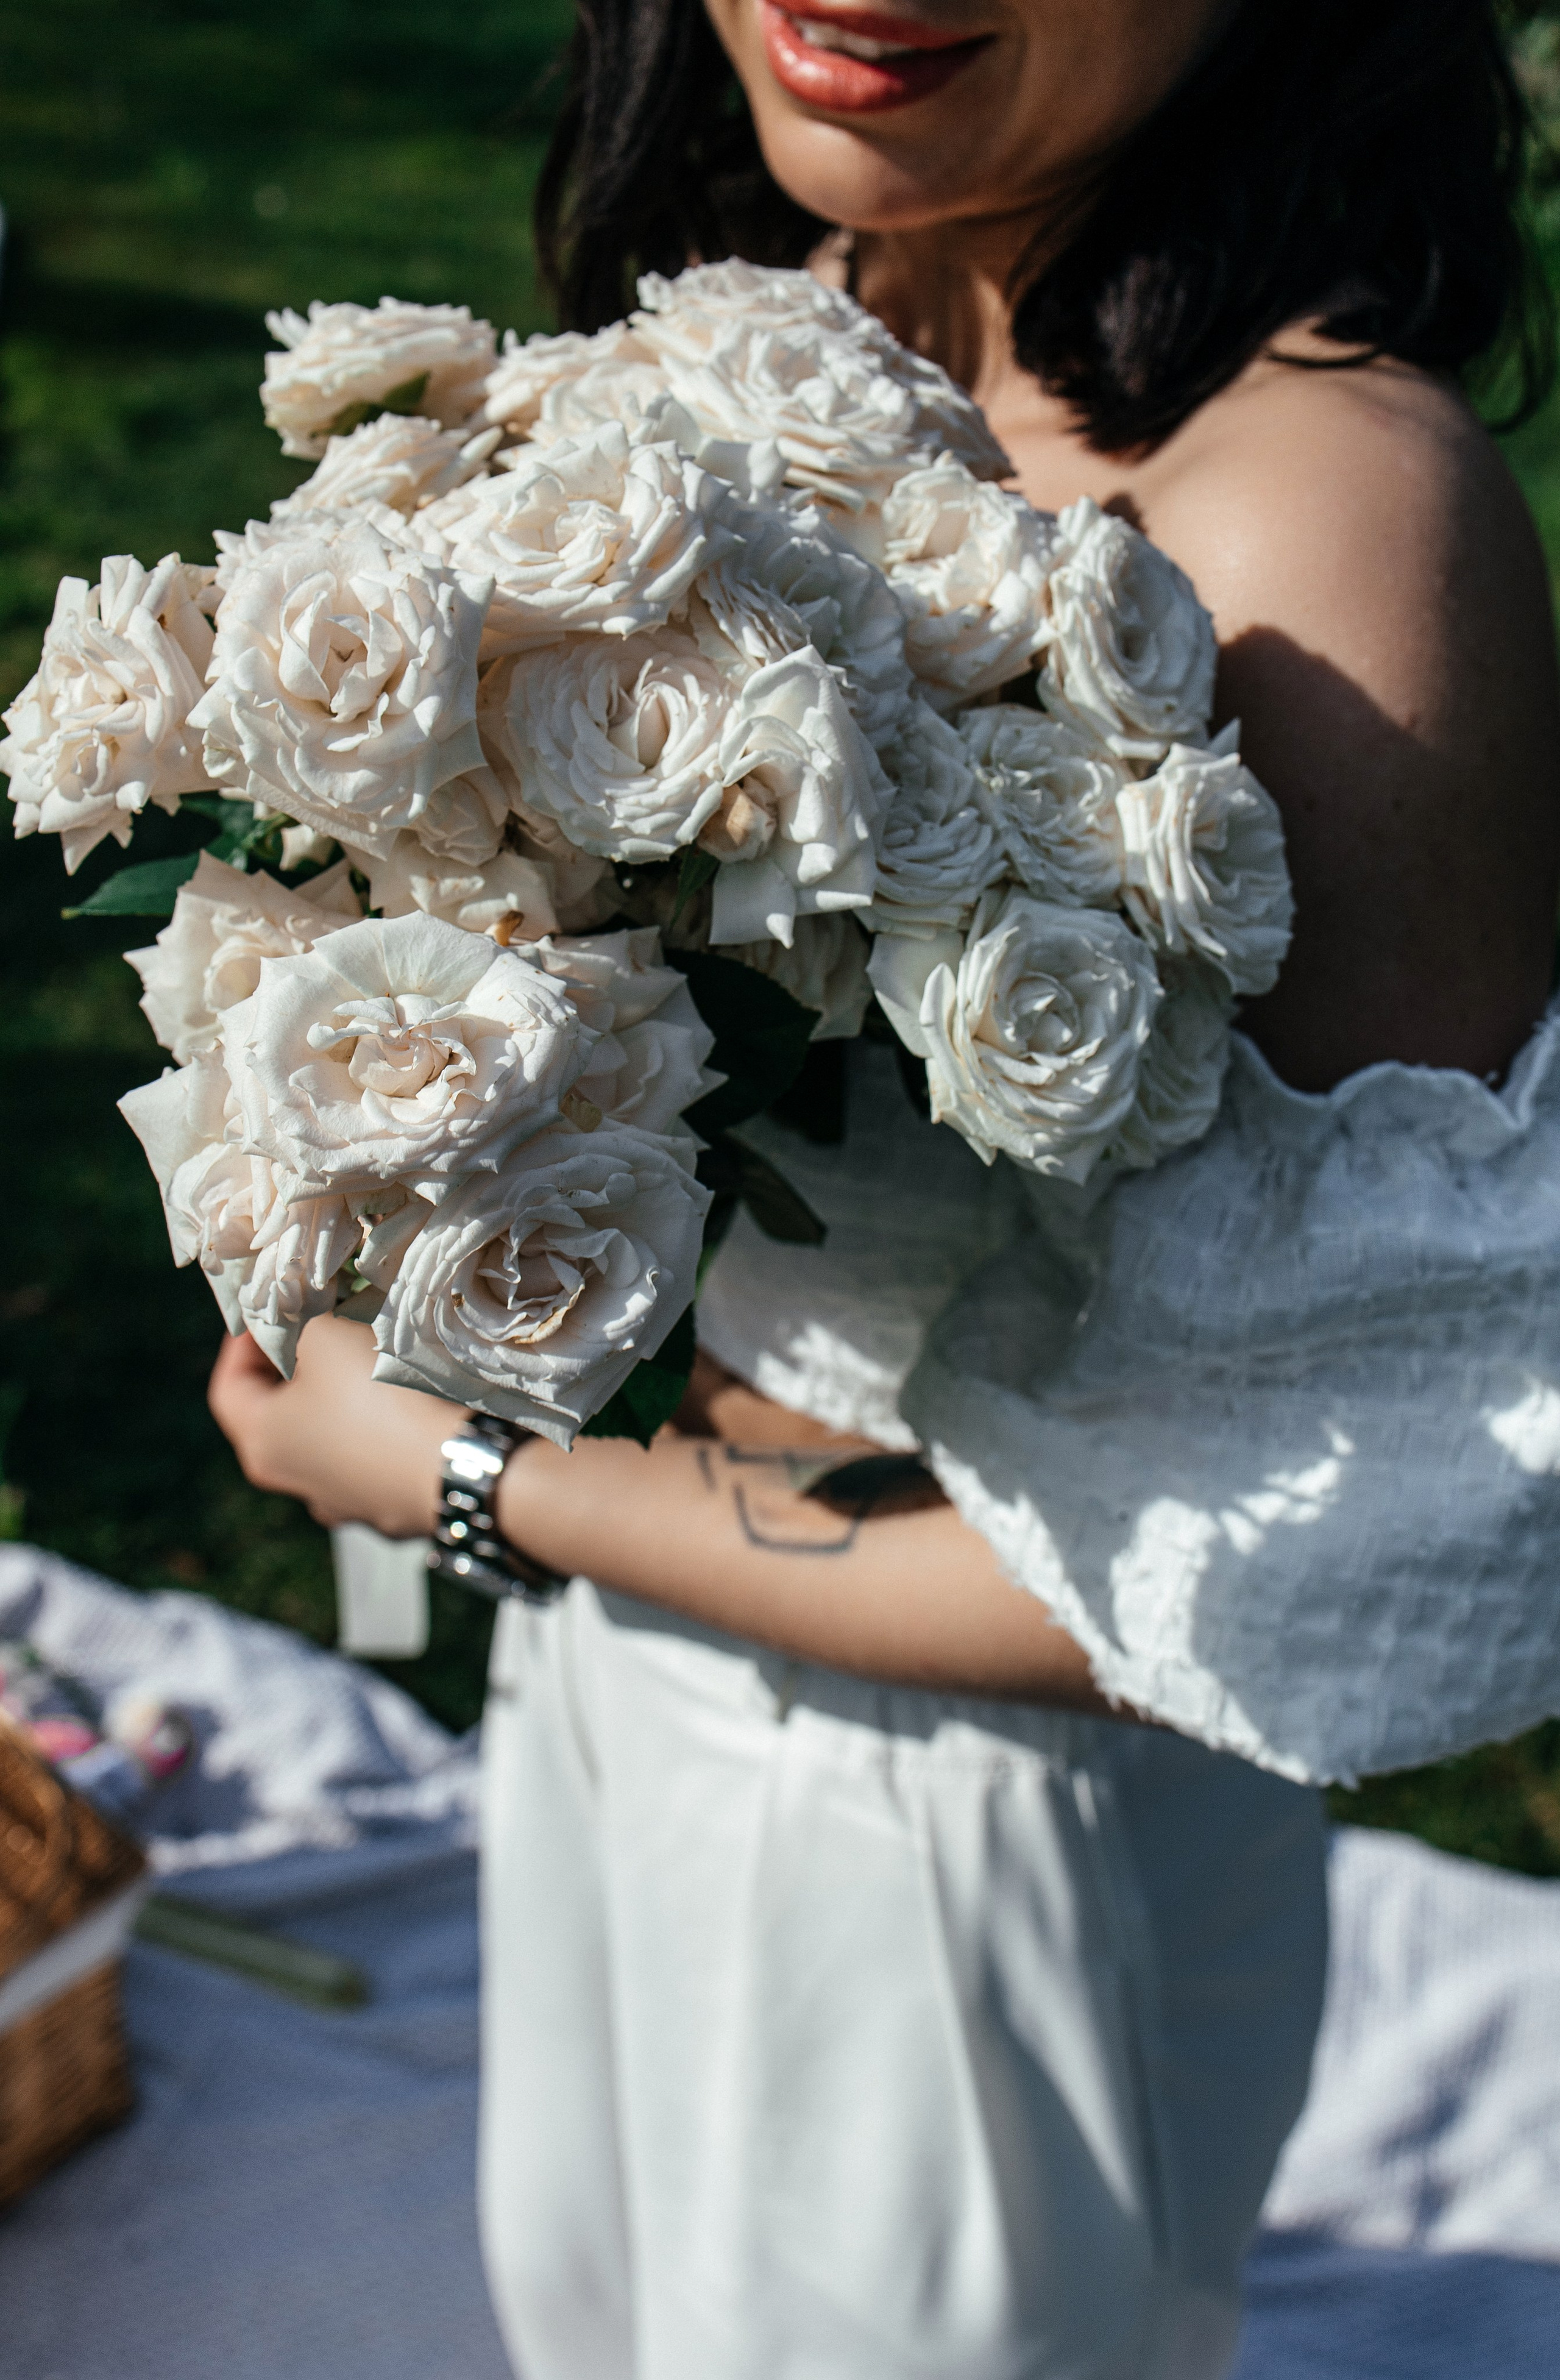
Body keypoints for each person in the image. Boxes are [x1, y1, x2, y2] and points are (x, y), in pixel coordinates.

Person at [210, 1, 1560, 2372]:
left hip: (956, 1845)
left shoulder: (1317, 526)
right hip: (634, 1690)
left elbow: (1315, 1543)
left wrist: (464, 1473)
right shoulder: (799, 309)